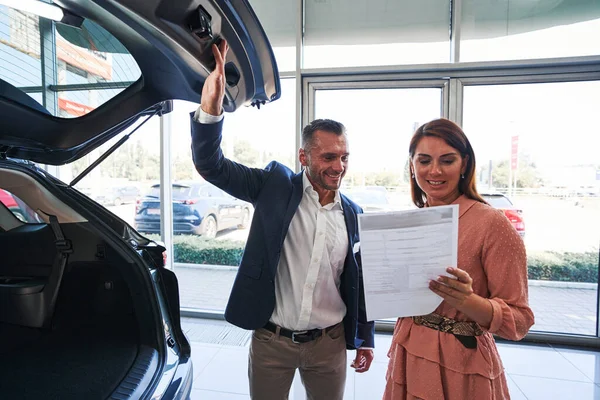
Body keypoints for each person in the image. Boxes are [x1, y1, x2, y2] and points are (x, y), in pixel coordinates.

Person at [190, 40, 375, 400]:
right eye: (329, 156)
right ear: (303, 156)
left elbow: (359, 281)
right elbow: (212, 166)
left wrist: (364, 337)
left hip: (329, 345)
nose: (339, 166)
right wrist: (210, 112)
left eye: (345, 157)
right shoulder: (274, 186)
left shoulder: (353, 214)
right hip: (272, 342)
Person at [383, 118, 535, 400]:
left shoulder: (492, 223)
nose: (435, 171)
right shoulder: (410, 222)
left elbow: (520, 321)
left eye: (447, 160)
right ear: (412, 165)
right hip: (408, 348)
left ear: (464, 164)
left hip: (461, 363)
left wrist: (468, 301)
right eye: (424, 160)